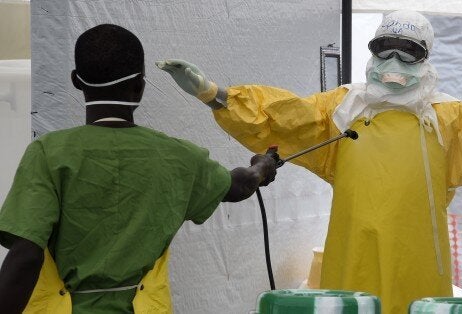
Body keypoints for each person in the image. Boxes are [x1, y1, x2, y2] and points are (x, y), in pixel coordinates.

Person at [158, 10, 462, 313]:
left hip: (416, 259)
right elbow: (282, 118)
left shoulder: (447, 118)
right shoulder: (343, 109)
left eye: (407, 52)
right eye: (384, 48)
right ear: (373, 51)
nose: (393, 62)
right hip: (351, 252)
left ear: (426, 57)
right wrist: (216, 95)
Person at [0, 24, 277, 314]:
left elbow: (26, 255)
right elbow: (239, 185)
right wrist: (263, 166)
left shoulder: (47, 154)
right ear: (140, 86)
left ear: (76, 81)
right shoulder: (180, 157)